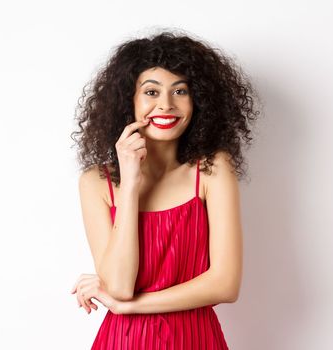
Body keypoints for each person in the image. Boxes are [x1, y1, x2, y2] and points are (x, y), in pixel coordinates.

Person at [69, 30, 259, 349]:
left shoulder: (212, 169)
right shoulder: (95, 182)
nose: (166, 105)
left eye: (180, 91)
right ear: (129, 101)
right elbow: (119, 287)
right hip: (124, 342)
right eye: (151, 92)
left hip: (197, 340)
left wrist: (129, 307)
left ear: (197, 100)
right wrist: (130, 185)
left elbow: (226, 285)